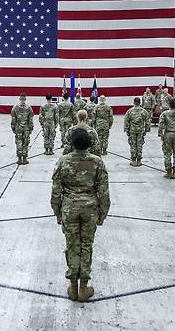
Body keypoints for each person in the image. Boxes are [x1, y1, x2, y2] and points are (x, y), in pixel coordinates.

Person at [51, 128, 110, 302]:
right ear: (90, 143)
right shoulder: (97, 162)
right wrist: (103, 212)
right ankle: (84, 288)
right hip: (90, 210)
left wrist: (57, 211)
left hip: (69, 209)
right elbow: (104, 191)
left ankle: (73, 287)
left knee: (72, 245)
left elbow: (56, 191)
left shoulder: (63, 161)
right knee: (86, 246)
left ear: (72, 143)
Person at [123, 97, 150, 166]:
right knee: (139, 145)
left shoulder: (130, 111)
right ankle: (139, 160)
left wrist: (126, 130)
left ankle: (133, 160)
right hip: (140, 130)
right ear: (140, 102)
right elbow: (147, 121)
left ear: (134, 102)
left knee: (133, 145)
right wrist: (146, 130)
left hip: (132, 130)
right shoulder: (144, 111)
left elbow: (126, 121)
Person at [11, 93, 34, 165]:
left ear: (20, 99)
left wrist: (13, 128)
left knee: (19, 142)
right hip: (26, 128)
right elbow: (30, 120)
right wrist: (31, 128)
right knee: (24, 143)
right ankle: (24, 158)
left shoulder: (15, 108)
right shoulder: (28, 108)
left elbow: (13, 120)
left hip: (18, 128)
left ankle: (20, 158)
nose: (22, 101)